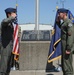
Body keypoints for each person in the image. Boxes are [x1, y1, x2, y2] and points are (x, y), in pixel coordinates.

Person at [56, 8, 74, 75]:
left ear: (64, 14)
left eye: (59, 13)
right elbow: (62, 29)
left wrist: (68, 48)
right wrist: (58, 22)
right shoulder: (64, 23)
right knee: (64, 65)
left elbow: (70, 37)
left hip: (67, 47)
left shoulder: (69, 23)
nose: (58, 15)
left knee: (67, 66)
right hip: (64, 47)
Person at [0, 8, 16, 75]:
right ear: (9, 14)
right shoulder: (5, 22)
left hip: (10, 46)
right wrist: (12, 17)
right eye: (13, 13)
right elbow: (5, 22)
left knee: (8, 66)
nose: (15, 15)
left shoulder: (10, 24)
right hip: (5, 47)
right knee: (4, 67)